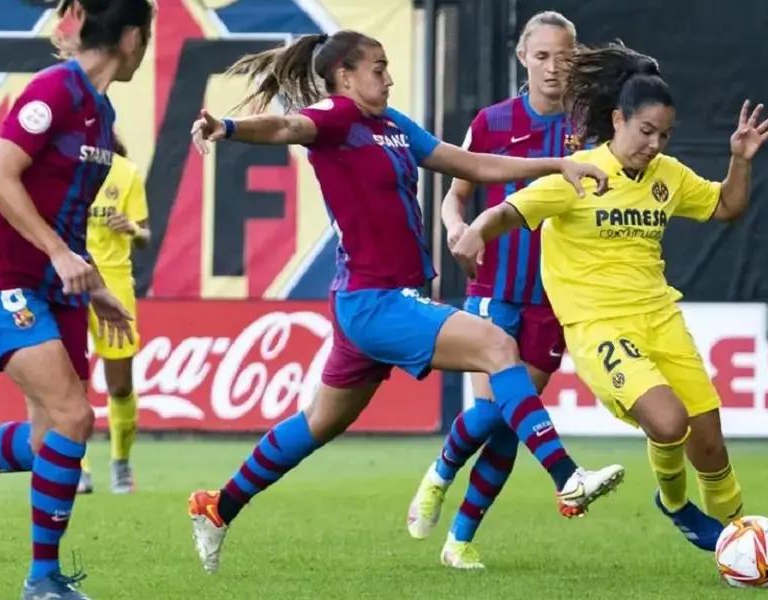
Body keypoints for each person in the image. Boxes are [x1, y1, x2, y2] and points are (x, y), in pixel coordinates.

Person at [185, 30, 624, 574]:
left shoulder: (393, 128)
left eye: (388, 67)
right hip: (376, 303)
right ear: (345, 75)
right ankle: (567, 478)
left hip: (371, 302)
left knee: (317, 423)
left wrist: (556, 166)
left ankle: (217, 508)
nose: (389, 77)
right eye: (378, 67)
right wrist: (226, 127)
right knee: (495, 345)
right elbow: (285, 125)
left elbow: (472, 164)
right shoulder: (337, 117)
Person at [453, 41, 768, 553]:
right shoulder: (578, 173)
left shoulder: (667, 177)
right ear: (618, 120)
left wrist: (740, 160)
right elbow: (509, 213)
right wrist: (474, 232)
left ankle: (739, 545)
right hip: (599, 328)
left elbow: (726, 207)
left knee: (710, 445)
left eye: (665, 136)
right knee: (668, 422)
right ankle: (674, 505)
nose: (655, 145)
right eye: (646, 131)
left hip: (660, 318)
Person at [0, 1, 152, 597]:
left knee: (51, 436)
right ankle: (42, 580)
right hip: (3, 278)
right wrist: (56, 254)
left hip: (60, 289)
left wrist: (94, 284)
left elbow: (69, 213)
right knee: (77, 417)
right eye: (144, 36)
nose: (144, 47)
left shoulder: (101, 113)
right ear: (131, 37)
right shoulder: (55, 89)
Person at [404, 11, 583, 570]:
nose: (554, 68)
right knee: (495, 411)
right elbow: (454, 197)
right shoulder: (491, 122)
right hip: (494, 289)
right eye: (543, 56)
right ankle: (440, 474)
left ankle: (459, 539)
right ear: (522, 58)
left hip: (553, 297)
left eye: (565, 57)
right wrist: (456, 227)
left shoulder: (592, 128)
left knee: (507, 423)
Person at [76, 135, 150, 495]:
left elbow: (146, 235)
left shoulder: (127, 173)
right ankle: (77, 466)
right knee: (71, 385)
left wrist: (133, 229)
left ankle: (121, 462)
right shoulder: (67, 170)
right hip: (70, 283)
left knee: (120, 384)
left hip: (116, 284)